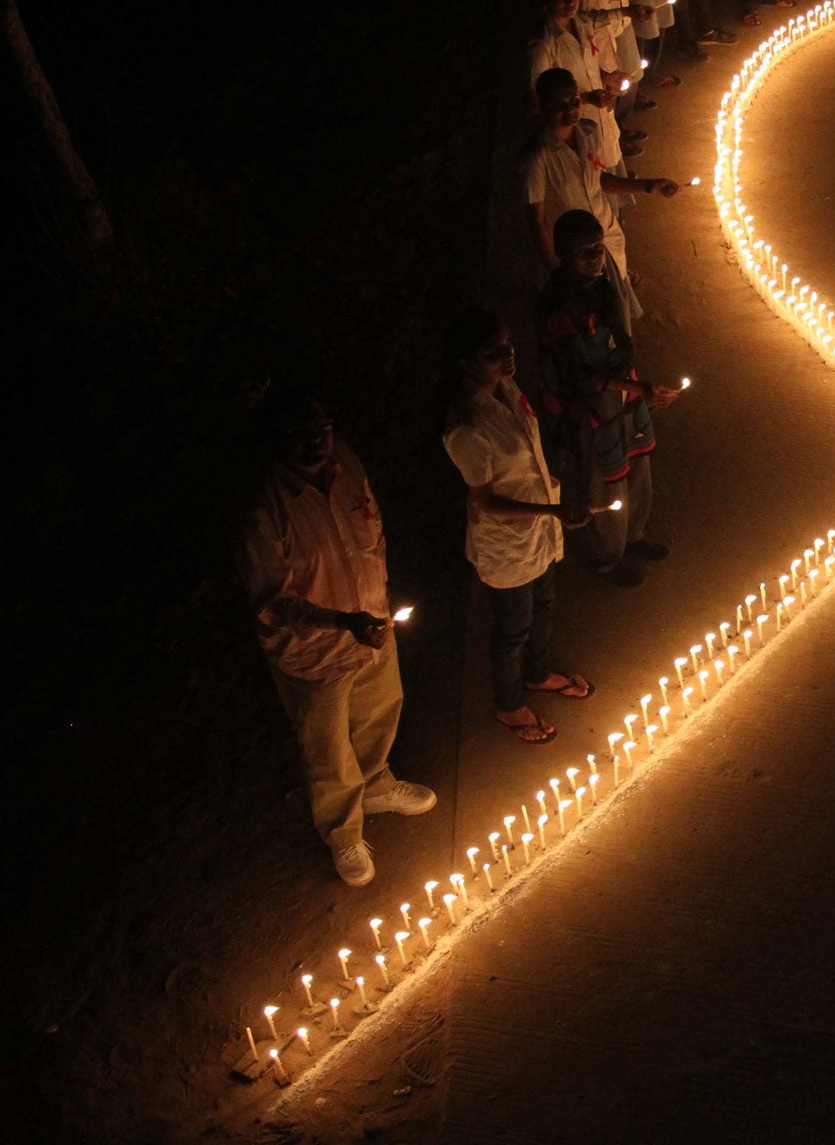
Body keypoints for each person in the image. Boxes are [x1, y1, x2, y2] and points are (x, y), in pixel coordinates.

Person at [234, 388, 435, 886]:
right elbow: (273, 601)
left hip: (371, 626)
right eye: (298, 436)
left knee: (380, 707)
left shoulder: (345, 462)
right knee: (326, 745)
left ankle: (375, 784)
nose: (315, 443)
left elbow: (371, 528)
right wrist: (343, 623)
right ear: (275, 442)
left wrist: (374, 604)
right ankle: (343, 833)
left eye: (321, 429)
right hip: (314, 650)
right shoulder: (266, 509)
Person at [441, 309, 594, 746]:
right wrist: (551, 512)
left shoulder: (506, 389)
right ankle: (508, 705)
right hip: (507, 541)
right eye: (493, 353)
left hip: (538, 529)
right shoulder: (467, 428)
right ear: (467, 364)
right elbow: (485, 499)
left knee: (543, 603)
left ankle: (539, 674)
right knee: (512, 628)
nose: (507, 356)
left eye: (508, 346)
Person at [535, 211, 680, 583]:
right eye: (585, 252)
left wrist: (638, 386)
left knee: (638, 460)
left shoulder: (600, 284)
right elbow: (579, 375)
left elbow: (619, 335)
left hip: (623, 389)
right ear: (565, 255)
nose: (596, 257)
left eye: (599, 248)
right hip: (591, 405)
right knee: (605, 479)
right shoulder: (557, 306)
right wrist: (637, 388)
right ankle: (606, 559)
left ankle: (633, 536)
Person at [521, 67, 680, 326]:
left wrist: (649, 186)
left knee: (616, 308)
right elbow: (536, 220)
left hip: (605, 234)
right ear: (543, 106)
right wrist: (558, 271)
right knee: (595, 322)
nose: (571, 110)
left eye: (574, 101)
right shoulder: (538, 158)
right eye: (559, 105)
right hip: (575, 257)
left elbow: (601, 181)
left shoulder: (588, 133)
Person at [528, 0, 637, 166]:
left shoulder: (581, 24)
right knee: (591, 182)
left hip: (600, 121)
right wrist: (586, 99)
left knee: (606, 165)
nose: (571, 2)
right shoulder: (544, 45)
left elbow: (587, 63)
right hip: (573, 129)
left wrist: (605, 77)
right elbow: (536, 100)